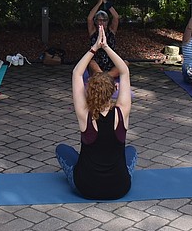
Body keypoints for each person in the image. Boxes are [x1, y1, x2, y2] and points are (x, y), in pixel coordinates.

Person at [56, 25, 137, 200]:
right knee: (131, 151)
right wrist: (106, 47)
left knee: (62, 149)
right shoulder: (122, 111)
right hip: (120, 187)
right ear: (114, 89)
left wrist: (94, 48)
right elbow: (124, 71)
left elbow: (77, 73)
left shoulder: (84, 113)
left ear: (89, 90)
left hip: (86, 187)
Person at [86, 0, 121, 77]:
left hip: (110, 64)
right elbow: (89, 18)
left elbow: (116, 17)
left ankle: (105, 77)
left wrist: (105, 2)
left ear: (107, 21)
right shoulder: (93, 31)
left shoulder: (111, 31)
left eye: (104, 20)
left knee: (125, 63)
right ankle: (104, 77)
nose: (101, 22)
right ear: (96, 22)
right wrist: (99, 3)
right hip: (97, 64)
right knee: (91, 62)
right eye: (99, 20)